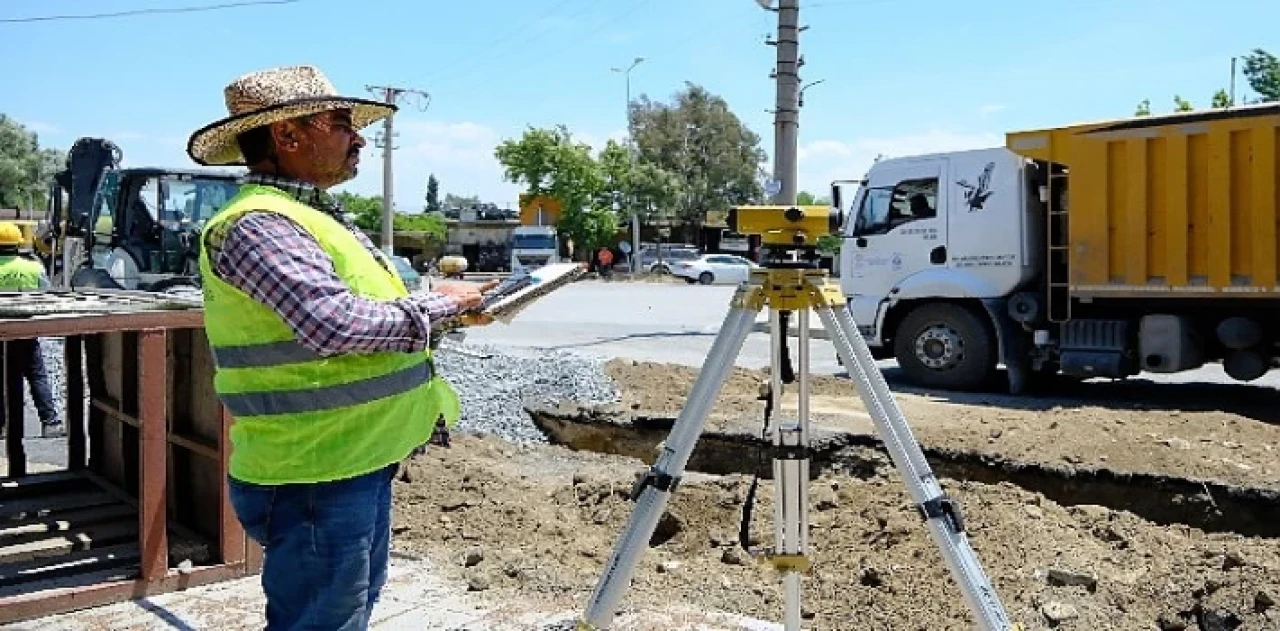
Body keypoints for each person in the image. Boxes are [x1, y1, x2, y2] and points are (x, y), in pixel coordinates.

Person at [187, 65, 496, 630]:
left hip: (351, 461)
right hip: (313, 473)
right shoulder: (259, 224)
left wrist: (441, 308)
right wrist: (444, 306)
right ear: (287, 135)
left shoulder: (307, 217)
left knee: (345, 611)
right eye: (341, 123)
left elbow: (363, 318)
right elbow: (336, 325)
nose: (358, 138)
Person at [0, 221, 63, 439]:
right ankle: (50, 423)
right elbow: (46, 295)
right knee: (37, 376)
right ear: (18, 244)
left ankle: (1, 427)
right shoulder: (33, 267)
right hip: (27, 330)